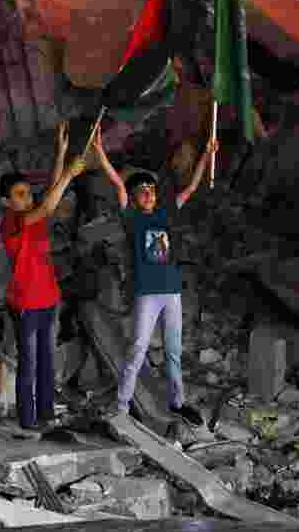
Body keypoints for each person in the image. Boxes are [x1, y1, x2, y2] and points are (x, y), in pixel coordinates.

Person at [92, 122, 219, 425]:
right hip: (147, 293)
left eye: (150, 189)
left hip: (171, 291)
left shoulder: (166, 213)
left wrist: (206, 155)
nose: (147, 193)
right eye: (142, 191)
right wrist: (99, 152)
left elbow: (191, 187)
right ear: (135, 199)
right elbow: (119, 186)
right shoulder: (132, 219)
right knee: (138, 348)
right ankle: (122, 405)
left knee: (174, 350)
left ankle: (177, 402)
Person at [0, 122, 87, 431]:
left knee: (47, 362)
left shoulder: (31, 217)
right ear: (7, 203)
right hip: (26, 303)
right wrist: (70, 175)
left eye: (27, 193)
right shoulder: (13, 222)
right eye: (20, 195)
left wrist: (60, 155)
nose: (27, 198)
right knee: (30, 363)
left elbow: (49, 194)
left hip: (49, 300)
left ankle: (47, 414)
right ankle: (27, 418)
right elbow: (51, 203)